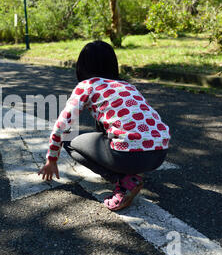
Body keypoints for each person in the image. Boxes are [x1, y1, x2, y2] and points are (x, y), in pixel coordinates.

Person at [38, 41, 171, 211]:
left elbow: (61, 126)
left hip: (129, 154)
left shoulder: (87, 85)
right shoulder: (127, 86)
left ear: (82, 66)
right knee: (107, 123)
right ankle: (129, 172)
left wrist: (51, 159)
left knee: (69, 142)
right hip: (159, 154)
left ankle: (123, 181)